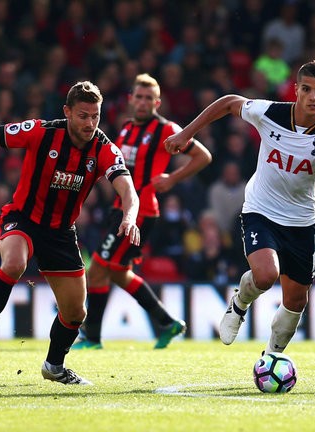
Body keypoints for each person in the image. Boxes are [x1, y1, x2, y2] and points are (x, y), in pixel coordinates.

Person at [0, 81, 140, 385]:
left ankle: (54, 367)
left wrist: (130, 216)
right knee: (14, 264)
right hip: (23, 219)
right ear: (67, 112)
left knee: (75, 313)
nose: (90, 124)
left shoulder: (103, 148)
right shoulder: (42, 131)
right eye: (83, 116)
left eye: (95, 116)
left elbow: (128, 190)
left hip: (60, 233)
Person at [165, 58, 315, 355]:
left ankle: (271, 356)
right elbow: (230, 102)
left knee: (296, 302)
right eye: (307, 89)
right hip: (261, 210)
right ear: (296, 90)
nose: (313, 97)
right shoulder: (271, 113)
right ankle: (240, 302)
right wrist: (187, 132)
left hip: (301, 221)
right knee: (266, 275)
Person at [72, 74, 212, 351]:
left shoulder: (165, 129)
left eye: (149, 98)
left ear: (157, 102)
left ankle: (92, 337)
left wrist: (172, 178)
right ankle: (167, 322)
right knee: (117, 273)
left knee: (98, 269)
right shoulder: (125, 129)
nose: (143, 102)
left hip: (141, 211)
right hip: (119, 209)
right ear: (131, 99)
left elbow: (203, 156)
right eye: (139, 96)